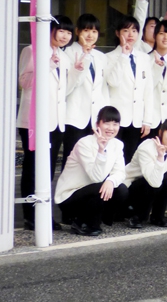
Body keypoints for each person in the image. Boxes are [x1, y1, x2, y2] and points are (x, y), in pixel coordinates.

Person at [17, 15, 73, 230]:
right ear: (50, 30)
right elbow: (24, 82)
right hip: (34, 121)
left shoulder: (64, 56)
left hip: (56, 121)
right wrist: (47, 65)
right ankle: (31, 216)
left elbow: (64, 90)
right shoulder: (32, 50)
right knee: (33, 168)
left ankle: (43, 214)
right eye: (61, 31)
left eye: (68, 33)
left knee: (47, 171)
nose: (65, 36)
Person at [55, 106, 129, 236]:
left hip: (92, 191)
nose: (111, 128)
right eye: (107, 123)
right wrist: (101, 151)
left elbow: (120, 172)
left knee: (121, 189)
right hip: (70, 197)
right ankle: (80, 222)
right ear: (97, 124)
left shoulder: (117, 144)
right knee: (100, 187)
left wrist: (111, 181)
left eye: (115, 124)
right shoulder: (84, 143)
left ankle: (95, 220)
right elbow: (96, 177)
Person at [104, 16, 155, 164]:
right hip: (116, 120)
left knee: (130, 160)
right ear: (118, 33)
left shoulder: (144, 58)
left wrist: (147, 120)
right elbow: (113, 82)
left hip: (137, 119)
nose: (130, 34)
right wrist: (124, 57)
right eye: (126, 30)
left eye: (134, 30)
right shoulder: (108, 57)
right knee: (112, 160)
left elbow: (148, 90)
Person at [64, 14, 108, 165]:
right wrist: (85, 55)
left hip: (95, 118)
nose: (90, 35)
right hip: (74, 116)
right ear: (77, 31)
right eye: (86, 30)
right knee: (72, 159)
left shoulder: (101, 56)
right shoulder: (68, 52)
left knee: (93, 159)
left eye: (94, 31)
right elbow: (73, 83)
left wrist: (105, 114)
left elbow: (103, 88)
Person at [124, 117, 167, 228]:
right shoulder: (147, 147)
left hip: (153, 184)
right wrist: (160, 158)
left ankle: (158, 216)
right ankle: (139, 216)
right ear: (160, 132)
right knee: (157, 178)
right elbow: (153, 181)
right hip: (133, 186)